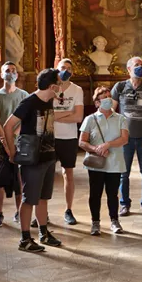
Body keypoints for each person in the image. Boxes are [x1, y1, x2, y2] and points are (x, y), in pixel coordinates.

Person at [3, 69, 64, 253]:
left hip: (48, 156)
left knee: (44, 197)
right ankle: (25, 239)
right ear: (52, 86)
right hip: (32, 159)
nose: (61, 87)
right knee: (29, 199)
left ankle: (43, 233)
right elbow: (8, 126)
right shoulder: (29, 102)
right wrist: (12, 151)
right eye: (59, 83)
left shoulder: (49, 101)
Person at [111, 56, 142, 216]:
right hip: (124, 138)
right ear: (129, 69)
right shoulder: (119, 87)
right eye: (136, 65)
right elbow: (112, 111)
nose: (140, 68)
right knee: (123, 174)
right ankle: (124, 204)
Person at [79, 87, 129, 235]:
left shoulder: (121, 118)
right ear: (96, 103)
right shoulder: (90, 119)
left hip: (114, 162)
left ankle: (114, 220)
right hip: (96, 164)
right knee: (95, 194)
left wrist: (108, 144)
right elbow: (82, 142)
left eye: (109, 96)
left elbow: (124, 139)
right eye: (104, 97)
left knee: (112, 194)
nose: (108, 99)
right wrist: (96, 149)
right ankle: (95, 222)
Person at [0, 62, 28, 228]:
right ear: (1, 74)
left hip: (19, 140)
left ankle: (19, 212)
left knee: (20, 178)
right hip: (1, 142)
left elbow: (25, 118)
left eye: (13, 71)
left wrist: (15, 136)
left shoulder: (24, 95)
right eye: (7, 71)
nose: (10, 73)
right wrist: (5, 141)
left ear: (17, 75)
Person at [50, 58, 84, 226]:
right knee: (46, 175)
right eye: (63, 68)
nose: (66, 71)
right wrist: (66, 115)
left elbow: (78, 117)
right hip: (50, 137)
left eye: (69, 68)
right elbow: (47, 116)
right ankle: (42, 211)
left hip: (69, 138)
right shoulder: (50, 88)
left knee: (67, 174)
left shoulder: (77, 90)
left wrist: (57, 116)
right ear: (57, 70)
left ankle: (68, 209)